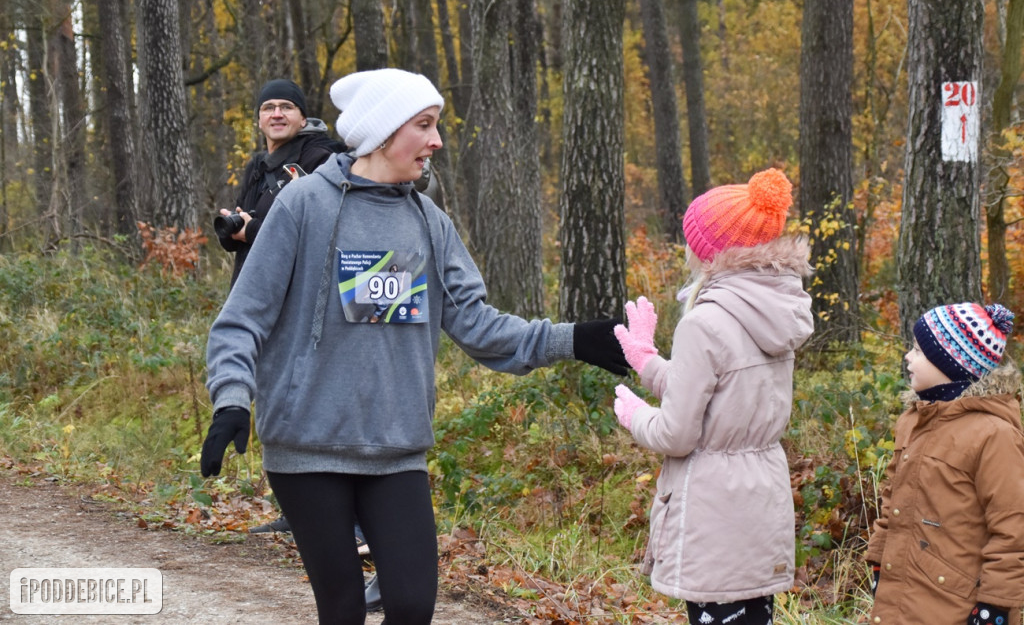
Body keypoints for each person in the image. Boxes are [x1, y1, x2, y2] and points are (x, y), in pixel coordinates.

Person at [199, 67, 628, 624]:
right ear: (383, 133)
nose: (437, 141)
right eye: (424, 125)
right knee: (344, 609)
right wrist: (232, 397)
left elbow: (479, 327)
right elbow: (242, 320)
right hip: (307, 448)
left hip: (396, 449)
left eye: (436, 126)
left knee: (409, 606)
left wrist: (576, 338)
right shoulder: (302, 206)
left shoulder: (429, 223)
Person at [611, 168, 813, 624]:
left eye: (690, 239)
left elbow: (677, 433)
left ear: (709, 251)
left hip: (713, 513)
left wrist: (635, 415)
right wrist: (646, 361)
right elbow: (720, 393)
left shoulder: (704, 322)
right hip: (761, 500)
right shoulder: (775, 308)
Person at [866, 302, 1024, 625]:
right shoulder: (912, 421)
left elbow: (1013, 528)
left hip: (955, 606)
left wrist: (995, 606)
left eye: (919, 351)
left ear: (951, 364)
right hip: (903, 597)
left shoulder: (994, 435)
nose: (908, 358)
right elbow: (892, 502)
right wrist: (879, 560)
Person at [216, 78, 346, 287]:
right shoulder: (258, 165)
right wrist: (232, 230)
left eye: (287, 107)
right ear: (259, 120)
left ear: (303, 119)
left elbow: (317, 235)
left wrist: (251, 231)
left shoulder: (320, 161)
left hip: (292, 295)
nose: (277, 114)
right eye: (268, 108)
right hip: (250, 290)